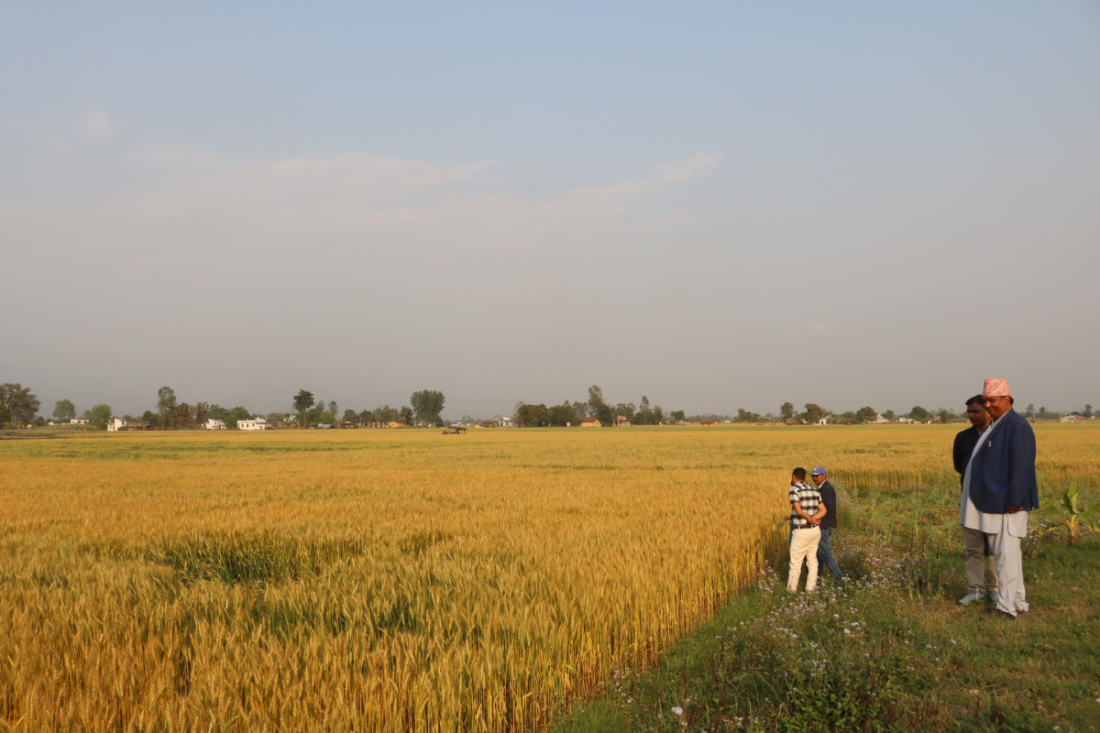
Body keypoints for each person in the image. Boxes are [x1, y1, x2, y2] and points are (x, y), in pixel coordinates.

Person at [965, 378, 1039, 619]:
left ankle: (1006, 609)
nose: (987, 405)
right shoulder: (998, 423)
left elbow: (1022, 466)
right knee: (1009, 557)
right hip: (995, 501)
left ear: (1006, 399)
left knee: (1005, 558)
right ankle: (1017, 602)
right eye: (985, 400)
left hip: (1006, 503)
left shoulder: (1017, 425)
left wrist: (1015, 499)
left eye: (992, 400)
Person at [953, 395, 999, 605]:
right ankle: (975, 589)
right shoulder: (963, 437)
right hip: (969, 499)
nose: (971, 415)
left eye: (976, 411)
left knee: (995, 547)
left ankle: (995, 589)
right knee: (973, 547)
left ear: (989, 411)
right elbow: (959, 466)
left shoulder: (1000, 434)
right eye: (969, 412)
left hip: (995, 501)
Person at [787, 467, 824, 592]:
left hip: (802, 531)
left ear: (793, 477)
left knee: (795, 564)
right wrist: (814, 518)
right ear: (805, 478)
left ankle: (791, 592)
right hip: (815, 531)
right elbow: (823, 510)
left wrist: (809, 518)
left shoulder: (794, 490)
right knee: (812, 561)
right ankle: (810, 589)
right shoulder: (814, 490)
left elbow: (799, 510)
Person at [810, 467, 844, 581]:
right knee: (818, 555)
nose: (815, 478)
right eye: (813, 476)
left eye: (817, 475)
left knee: (824, 554)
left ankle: (841, 579)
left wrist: (815, 514)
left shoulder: (826, 488)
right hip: (823, 525)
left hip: (824, 525)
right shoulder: (822, 488)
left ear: (824, 475)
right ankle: (817, 579)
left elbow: (828, 507)